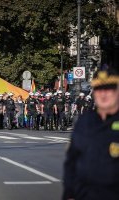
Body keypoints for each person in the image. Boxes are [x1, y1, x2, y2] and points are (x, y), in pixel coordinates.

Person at [63, 68, 119, 200]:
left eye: (109, 89)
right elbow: (72, 161)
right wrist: (69, 193)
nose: (103, 94)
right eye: (99, 89)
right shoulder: (85, 121)